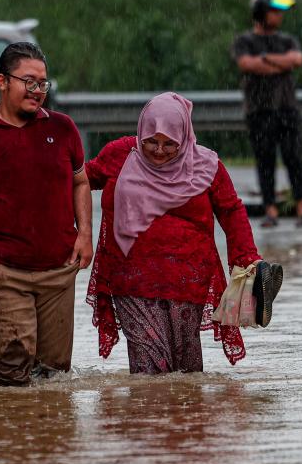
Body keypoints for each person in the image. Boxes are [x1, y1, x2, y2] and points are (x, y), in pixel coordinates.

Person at [85, 92, 282, 374]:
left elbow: (231, 210)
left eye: (170, 144)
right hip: (131, 279)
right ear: (140, 134)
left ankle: (186, 418)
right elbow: (78, 179)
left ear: (184, 137)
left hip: (187, 280)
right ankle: (145, 419)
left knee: (185, 370)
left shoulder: (206, 165)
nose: (159, 150)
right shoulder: (120, 154)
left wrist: (247, 258)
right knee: (149, 369)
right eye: (151, 142)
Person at [0, 42, 93, 386]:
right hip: (3, 271)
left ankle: (46, 437)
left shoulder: (62, 130)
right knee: (9, 373)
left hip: (59, 270)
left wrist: (85, 234)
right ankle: (8, 437)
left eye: (43, 83)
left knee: (54, 377)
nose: (38, 91)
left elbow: (81, 182)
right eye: (28, 82)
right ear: (2, 81)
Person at [232, 0, 302, 228]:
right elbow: (247, 64)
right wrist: (281, 63)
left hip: (287, 108)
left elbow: (297, 60)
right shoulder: (244, 41)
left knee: (295, 159)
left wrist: (266, 59)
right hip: (259, 110)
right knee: (265, 159)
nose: (279, 16)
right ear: (260, 13)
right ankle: (271, 210)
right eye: (274, 11)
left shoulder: (287, 39)